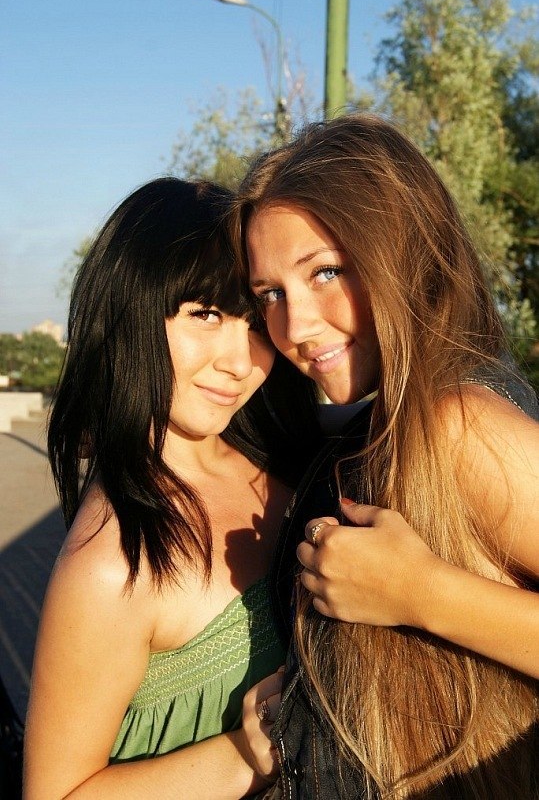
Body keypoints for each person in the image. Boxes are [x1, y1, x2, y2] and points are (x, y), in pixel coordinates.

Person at [231, 113, 539, 799]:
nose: (295, 326)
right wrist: (306, 696)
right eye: (270, 294)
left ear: (405, 253)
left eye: (326, 271)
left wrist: (423, 593)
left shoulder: (460, 425)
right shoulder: (381, 426)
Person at [23, 177, 322, 799]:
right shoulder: (111, 563)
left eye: (255, 321)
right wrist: (250, 750)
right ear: (131, 308)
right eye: (205, 314)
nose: (238, 361)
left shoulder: (288, 459)